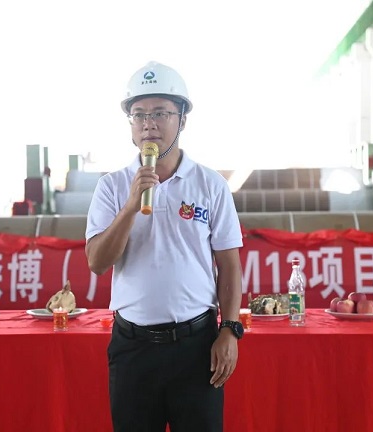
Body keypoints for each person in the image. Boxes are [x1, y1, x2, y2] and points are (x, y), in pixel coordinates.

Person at [85, 61, 244, 432]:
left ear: (183, 119)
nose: (148, 124)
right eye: (138, 114)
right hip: (133, 349)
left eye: (160, 113)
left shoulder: (210, 185)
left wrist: (229, 329)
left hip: (196, 347)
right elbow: (97, 262)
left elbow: (229, 265)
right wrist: (131, 205)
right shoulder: (111, 186)